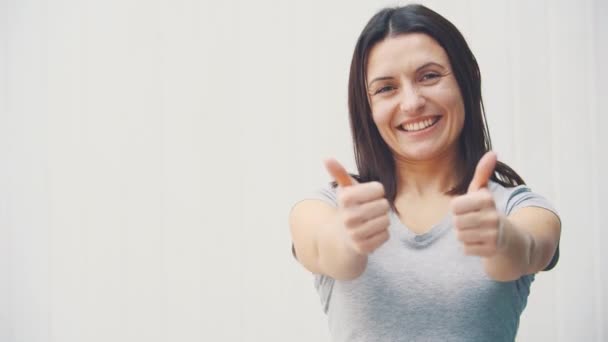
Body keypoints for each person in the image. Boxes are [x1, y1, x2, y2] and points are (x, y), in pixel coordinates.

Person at [288, 4, 561, 342]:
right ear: (367, 106)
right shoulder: (325, 208)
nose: (412, 102)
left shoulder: (519, 208)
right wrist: (348, 238)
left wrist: (500, 239)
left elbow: (528, 250)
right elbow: (329, 253)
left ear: (466, 80)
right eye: (387, 88)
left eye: (429, 76)